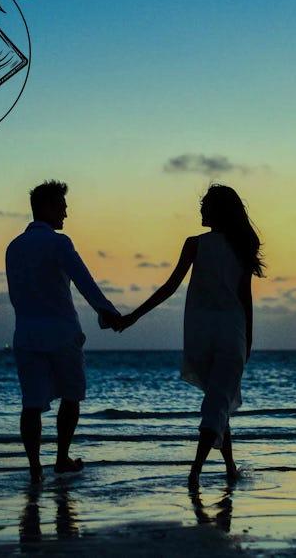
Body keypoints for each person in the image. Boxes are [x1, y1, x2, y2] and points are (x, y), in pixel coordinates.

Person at [120, 184, 264, 488]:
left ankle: (230, 469)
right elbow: (245, 298)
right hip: (232, 333)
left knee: (218, 401)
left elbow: (170, 287)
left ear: (216, 211)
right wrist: (249, 340)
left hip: (201, 336)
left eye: (204, 206)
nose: (200, 210)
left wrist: (134, 316)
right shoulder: (241, 246)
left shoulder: (195, 244)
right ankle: (195, 473)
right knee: (217, 403)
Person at [5, 180, 122, 483]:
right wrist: (108, 312)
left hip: (26, 334)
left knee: (31, 404)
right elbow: (84, 281)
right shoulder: (59, 243)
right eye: (62, 207)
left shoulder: (13, 247)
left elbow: (15, 293)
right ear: (46, 208)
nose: (66, 215)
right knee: (72, 396)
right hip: (61, 332)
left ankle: (34, 468)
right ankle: (60, 459)